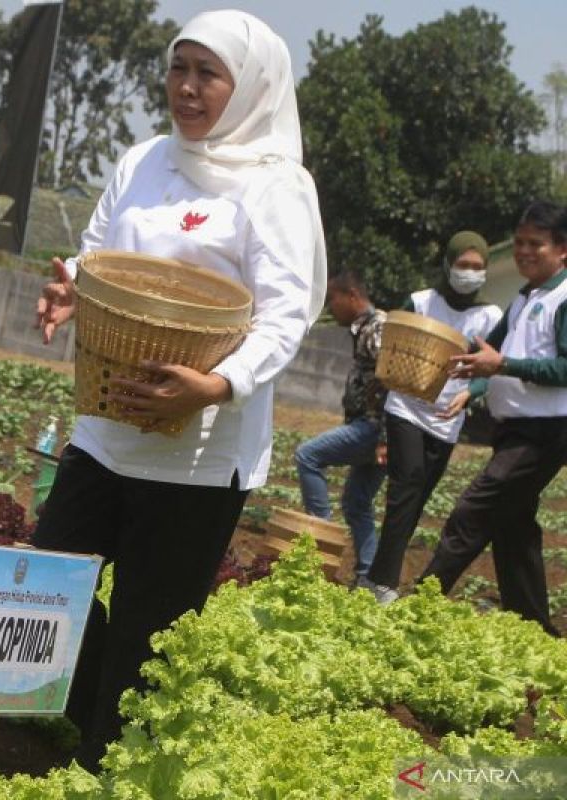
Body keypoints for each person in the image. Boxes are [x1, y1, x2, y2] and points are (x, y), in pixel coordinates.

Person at [33, 10, 325, 771]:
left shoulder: (277, 187)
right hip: (105, 426)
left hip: (196, 452)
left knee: (146, 630)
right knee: (47, 588)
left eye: (208, 74)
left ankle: (110, 769)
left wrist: (215, 385)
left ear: (251, 87)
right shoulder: (143, 161)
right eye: (178, 68)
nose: (187, 89)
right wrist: (72, 290)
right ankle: (76, 729)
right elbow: (99, 255)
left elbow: (288, 314)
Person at [419, 201, 567, 637]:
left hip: (544, 432)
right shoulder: (525, 297)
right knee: (512, 530)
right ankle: (536, 633)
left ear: (563, 250)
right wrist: (473, 386)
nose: (523, 252)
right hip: (515, 430)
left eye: (534, 244)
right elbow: (491, 355)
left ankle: (418, 607)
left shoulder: (563, 297)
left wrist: (499, 368)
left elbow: (559, 368)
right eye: (519, 242)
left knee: (472, 512)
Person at [362, 232, 502, 604]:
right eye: (463, 265)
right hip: (405, 406)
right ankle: (384, 583)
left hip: (446, 417)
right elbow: (392, 341)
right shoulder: (423, 301)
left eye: (477, 267)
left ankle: (378, 575)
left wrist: (471, 393)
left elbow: (492, 370)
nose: (469, 273)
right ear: (448, 263)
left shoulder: (489, 316)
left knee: (418, 497)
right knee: (406, 485)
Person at [293, 271, 387, 584]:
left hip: (374, 428)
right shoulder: (366, 328)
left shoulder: (376, 328)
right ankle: (367, 578)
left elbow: (391, 383)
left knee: (308, 455)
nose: (330, 308)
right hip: (375, 429)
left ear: (351, 295)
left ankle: (322, 535)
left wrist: (385, 437)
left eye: (332, 299)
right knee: (357, 503)